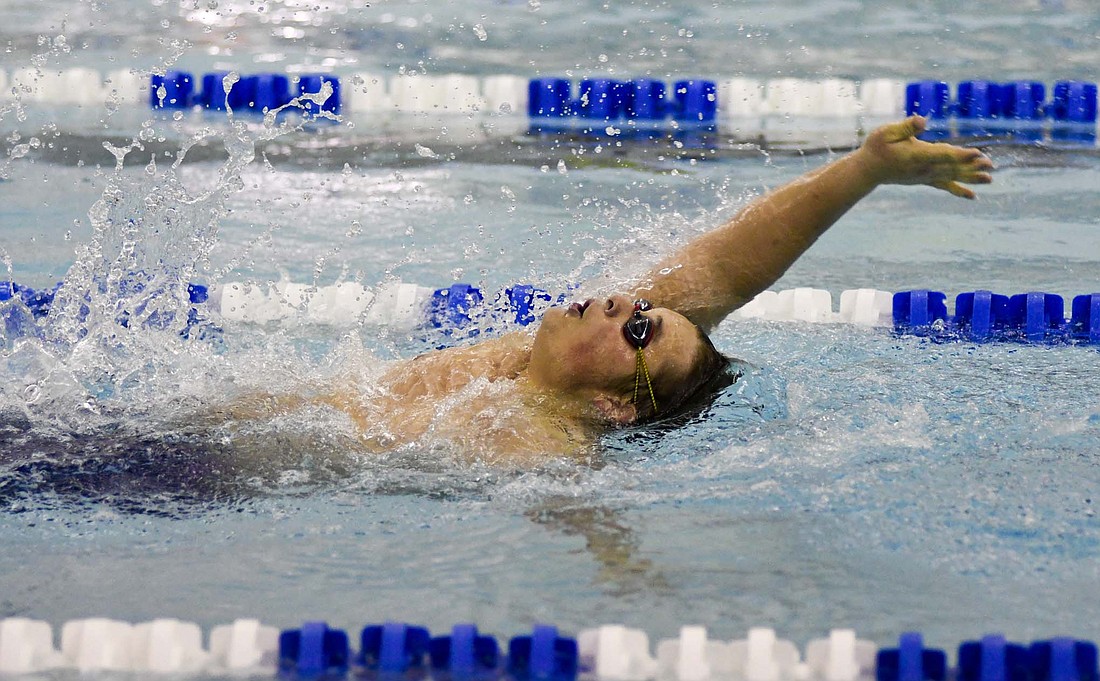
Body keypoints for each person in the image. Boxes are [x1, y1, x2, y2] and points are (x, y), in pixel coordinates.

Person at [229, 116, 993, 463]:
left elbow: (575, 512)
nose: (630, 303)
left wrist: (623, 579)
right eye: (645, 312)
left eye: (640, 332)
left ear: (614, 405)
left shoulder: (539, 435)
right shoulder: (523, 369)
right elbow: (728, 268)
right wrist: (863, 171)